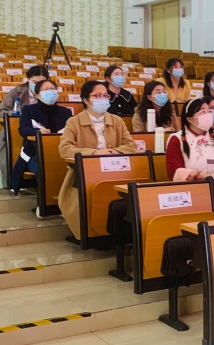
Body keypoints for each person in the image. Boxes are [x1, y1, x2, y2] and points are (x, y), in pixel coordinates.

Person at [58, 81, 138, 240]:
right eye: (98, 96)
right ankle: (89, 235)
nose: (103, 99)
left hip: (115, 170)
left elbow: (131, 146)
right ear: (86, 100)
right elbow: (65, 149)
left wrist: (114, 152)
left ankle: (117, 234)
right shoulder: (74, 122)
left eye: (106, 96)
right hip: (85, 173)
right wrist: (94, 153)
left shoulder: (117, 120)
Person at [10, 80, 71, 194]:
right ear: (37, 95)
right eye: (46, 89)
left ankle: (65, 197)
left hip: (61, 151)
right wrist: (38, 131)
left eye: (53, 89)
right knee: (43, 168)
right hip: (35, 153)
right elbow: (23, 130)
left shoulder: (66, 112)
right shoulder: (28, 110)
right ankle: (47, 199)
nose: (50, 92)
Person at [165, 98, 214, 181]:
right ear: (190, 119)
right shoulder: (176, 139)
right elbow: (173, 170)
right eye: (203, 112)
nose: (208, 115)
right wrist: (198, 175)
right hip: (190, 186)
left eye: (209, 111)